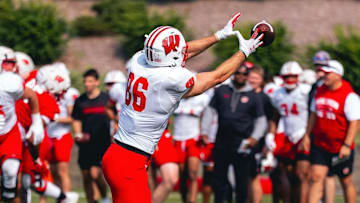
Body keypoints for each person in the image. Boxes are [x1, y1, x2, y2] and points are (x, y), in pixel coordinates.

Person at [101, 12, 264, 203]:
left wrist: (218, 36)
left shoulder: (139, 61)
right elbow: (216, 77)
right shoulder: (169, 80)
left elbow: (182, 50)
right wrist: (244, 51)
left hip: (116, 154)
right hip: (130, 162)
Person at [302, 60, 360, 203]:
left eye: (328, 73)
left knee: (345, 181)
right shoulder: (320, 90)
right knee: (316, 177)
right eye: (324, 73)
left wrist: (346, 145)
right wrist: (307, 135)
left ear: (338, 75)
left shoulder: (349, 95)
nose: (325, 76)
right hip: (321, 145)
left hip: (339, 146)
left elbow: (354, 123)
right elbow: (313, 114)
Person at [210, 60, 267, 203]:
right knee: (219, 180)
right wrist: (205, 131)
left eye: (244, 74)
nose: (241, 76)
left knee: (241, 181)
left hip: (242, 142)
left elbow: (262, 120)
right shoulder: (223, 90)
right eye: (238, 73)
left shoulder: (253, 95)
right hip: (222, 140)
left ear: (247, 76)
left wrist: (255, 137)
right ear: (234, 74)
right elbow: (210, 111)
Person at [266, 61, 311, 203]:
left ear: (299, 77)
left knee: (302, 175)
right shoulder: (278, 93)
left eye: (293, 76)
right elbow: (275, 116)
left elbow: (313, 114)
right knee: (289, 175)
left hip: (303, 136)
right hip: (288, 137)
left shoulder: (306, 91)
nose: (290, 79)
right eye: (287, 76)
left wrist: (307, 134)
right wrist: (270, 134)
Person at [72, 69, 111, 203]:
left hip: (102, 143)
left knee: (95, 173)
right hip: (85, 144)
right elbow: (76, 119)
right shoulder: (80, 101)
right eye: (85, 82)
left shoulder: (106, 99)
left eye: (90, 81)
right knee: (86, 176)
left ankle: (105, 198)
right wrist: (77, 134)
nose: (87, 84)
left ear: (97, 82)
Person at [173, 89, 212, 203]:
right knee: (182, 175)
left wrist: (205, 130)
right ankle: (185, 199)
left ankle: (192, 200)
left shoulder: (202, 99)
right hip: (178, 139)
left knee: (193, 173)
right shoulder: (175, 98)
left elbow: (210, 113)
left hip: (193, 139)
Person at [45, 63, 79, 192]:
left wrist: (55, 118)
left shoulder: (70, 93)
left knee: (62, 171)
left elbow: (72, 118)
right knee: (53, 171)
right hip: (49, 134)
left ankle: (67, 198)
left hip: (61, 134)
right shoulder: (49, 91)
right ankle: (61, 198)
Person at [246, 64, 273, 203]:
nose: (252, 80)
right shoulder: (244, 95)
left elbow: (271, 121)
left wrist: (267, 143)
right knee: (244, 175)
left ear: (261, 80)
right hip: (243, 139)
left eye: (256, 78)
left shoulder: (264, 98)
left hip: (257, 141)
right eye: (251, 77)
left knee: (253, 175)